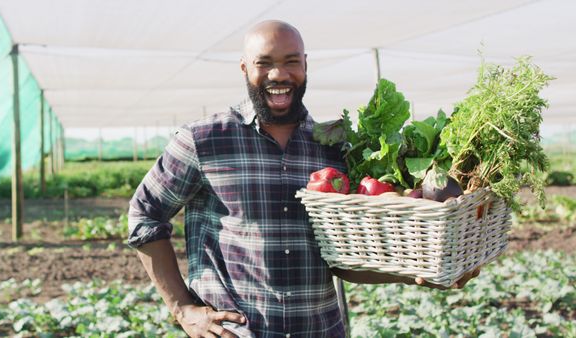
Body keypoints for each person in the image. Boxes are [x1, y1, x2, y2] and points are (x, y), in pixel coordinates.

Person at [127, 20, 479, 338]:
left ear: (306, 65)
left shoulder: (334, 149)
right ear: (245, 68)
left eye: (291, 61)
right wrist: (184, 309)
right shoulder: (204, 141)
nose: (278, 74)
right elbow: (145, 215)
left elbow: (344, 260)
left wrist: (417, 272)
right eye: (264, 63)